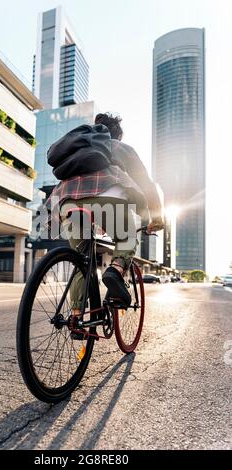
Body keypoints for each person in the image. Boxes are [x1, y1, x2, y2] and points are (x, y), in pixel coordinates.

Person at [46, 113, 164, 338]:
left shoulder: (79, 147)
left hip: (66, 202)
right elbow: (146, 184)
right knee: (127, 237)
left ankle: (76, 318)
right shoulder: (120, 147)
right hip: (106, 195)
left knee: (81, 259)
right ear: (116, 134)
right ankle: (116, 270)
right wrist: (155, 218)